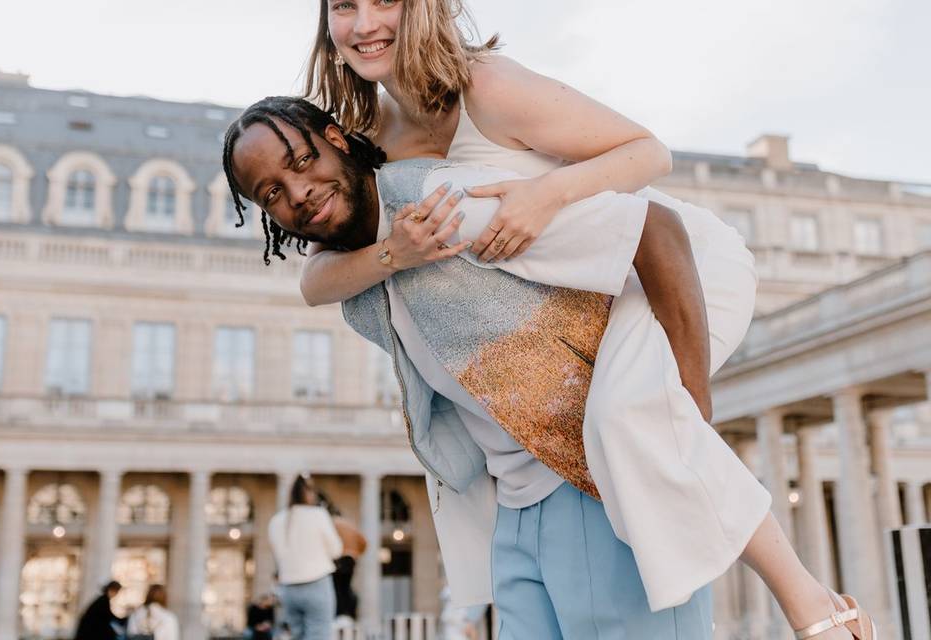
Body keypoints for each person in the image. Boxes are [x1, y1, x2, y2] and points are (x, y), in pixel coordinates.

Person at [301, 3, 879, 639]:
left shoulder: (486, 86)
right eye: (343, 5)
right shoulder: (369, 141)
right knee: (627, 416)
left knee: (626, 414)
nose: (362, 24)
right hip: (598, 289)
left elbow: (647, 152)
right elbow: (316, 277)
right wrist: (394, 254)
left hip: (673, 263)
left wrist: (546, 195)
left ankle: (813, 605)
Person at [268, 474, 343, 640]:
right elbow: (336, 550)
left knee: (297, 636)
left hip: (288, 587)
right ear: (309, 493)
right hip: (316, 584)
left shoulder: (276, 521)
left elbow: (278, 555)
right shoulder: (318, 515)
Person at [329, 511, 366, 621]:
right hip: (351, 559)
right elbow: (364, 542)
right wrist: (356, 553)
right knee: (346, 586)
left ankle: (339, 613)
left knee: (337, 587)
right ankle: (349, 613)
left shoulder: (333, 523)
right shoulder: (351, 526)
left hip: (338, 559)